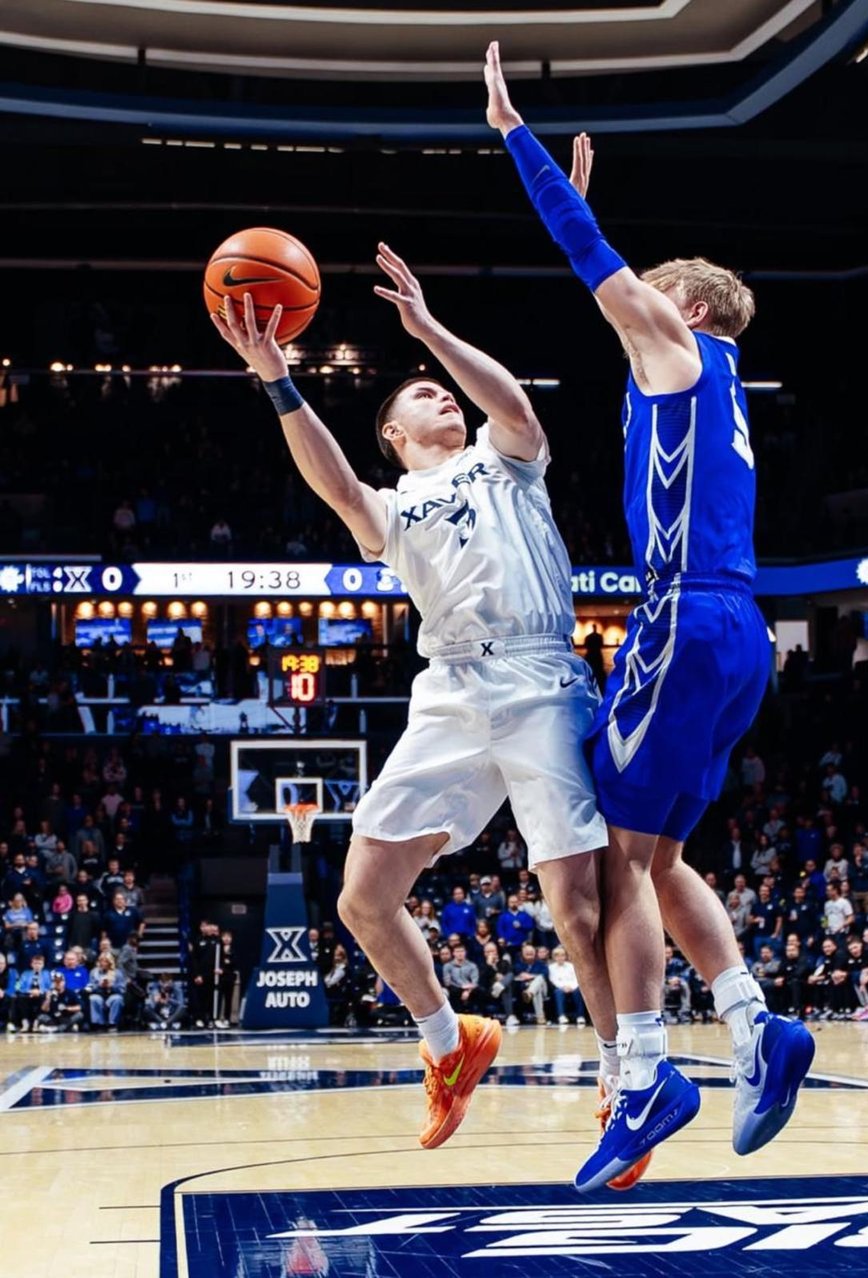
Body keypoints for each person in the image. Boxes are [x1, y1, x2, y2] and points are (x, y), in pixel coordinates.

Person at [482, 41, 814, 1189]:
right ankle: (754, 1020)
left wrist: (518, 143)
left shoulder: (678, 346)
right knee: (660, 854)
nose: (632, 307)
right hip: (738, 633)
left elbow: (592, 266)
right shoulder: (705, 384)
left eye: (649, 293)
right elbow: (607, 282)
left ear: (686, 306)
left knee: (619, 867)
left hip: (681, 622)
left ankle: (645, 1077)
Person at [213, 255, 614, 1157]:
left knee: (575, 907)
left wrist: (431, 331)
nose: (443, 397)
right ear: (392, 434)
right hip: (450, 691)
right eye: (423, 395)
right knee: (362, 897)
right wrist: (278, 380)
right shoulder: (392, 507)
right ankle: (449, 1042)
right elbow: (334, 484)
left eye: (444, 390)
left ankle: (622, 1075)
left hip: (540, 678)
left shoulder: (505, 459)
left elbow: (512, 403)